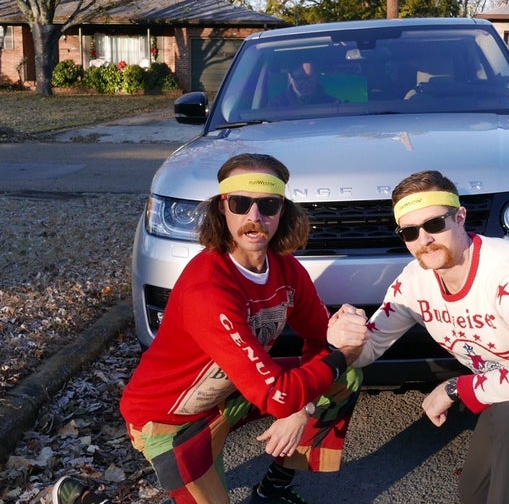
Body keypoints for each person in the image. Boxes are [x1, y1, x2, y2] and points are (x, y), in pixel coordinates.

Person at [47, 153, 368, 504]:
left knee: (343, 378)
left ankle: (273, 488)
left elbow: (318, 338)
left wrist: (306, 397)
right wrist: (330, 366)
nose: (254, 217)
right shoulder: (209, 288)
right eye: (241, 203)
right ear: (221, 209)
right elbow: (279, 395)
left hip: (231, 395)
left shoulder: (286, 270)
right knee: (332, 370)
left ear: (283, 212)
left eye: (269, 205)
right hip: (170, 420)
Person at [337, 170, 509, 503]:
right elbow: (367, 350)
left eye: (434, 224)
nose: (424, 240)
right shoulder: (414, 282)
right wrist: (345, 337)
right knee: (475, 495)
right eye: (410, 232)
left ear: (460, 217)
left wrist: (454, 387)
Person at [269, 62, 336, 107]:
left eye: (310, 77)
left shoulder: (332, 105)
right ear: (290, 77)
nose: (306, 82)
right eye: (300, 78)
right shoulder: (276, 106)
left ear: (317, 77)